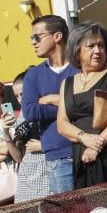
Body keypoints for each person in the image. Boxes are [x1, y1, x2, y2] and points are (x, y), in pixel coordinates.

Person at [57, 22, 107, 187]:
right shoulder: (67, 83)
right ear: (77, 50)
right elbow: (62, 123)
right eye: (91, 46)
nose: (98, 51)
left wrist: (97, 144)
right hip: (82, 154)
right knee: (91, 208)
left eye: (101, 45)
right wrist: (84, 138)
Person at [21, 15, 80, 195]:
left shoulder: (81, 68)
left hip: (88, 150)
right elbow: (30, 112)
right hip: (58, 156)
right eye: (32, 38)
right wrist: (71, 105)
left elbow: (93, 103)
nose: (33, 42)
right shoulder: (34, 75)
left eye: (37, 37)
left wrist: (52, 98)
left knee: (99, 210)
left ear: (57, 36)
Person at [11, 70, 48, 202]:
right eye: (16, 96)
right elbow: (18, 155)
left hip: (48, 170)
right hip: (27, 172)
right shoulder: (23, 112)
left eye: (23, 94)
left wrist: (44, 146)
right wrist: (6, 132)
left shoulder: (49, 106)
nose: (20, 99)